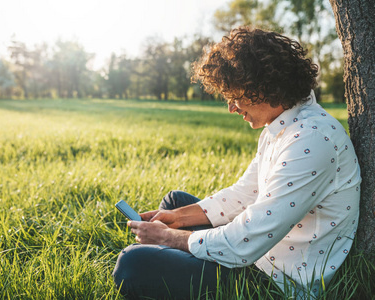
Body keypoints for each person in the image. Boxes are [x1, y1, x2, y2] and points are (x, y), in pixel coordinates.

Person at [112, 27, 361, 299]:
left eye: (236, 96)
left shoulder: (312, 140)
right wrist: (178, 219)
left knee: (132, 263)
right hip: (258, 254)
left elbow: (247, 239)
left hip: (275, 281)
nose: (231, 107)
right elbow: (245, 194)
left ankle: (166, 256)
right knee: (175, 203)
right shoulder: (281, 127)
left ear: (266, 87)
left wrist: (168, 238)